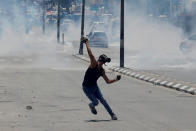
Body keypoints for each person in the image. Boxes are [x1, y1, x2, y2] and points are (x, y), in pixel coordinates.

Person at [81, 37, 121, 120]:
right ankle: (92, 105)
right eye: (103, 61)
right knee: (95, 102)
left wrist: (116, 79)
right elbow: (90, 54)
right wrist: (87, 43)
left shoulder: (102, 71)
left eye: (104, 62)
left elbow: (108, 81)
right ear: (100, 60)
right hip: (87, 88)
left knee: (103, 101)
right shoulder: (93, 64)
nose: (103, 63)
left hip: (94, 87)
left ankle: (112, 115)